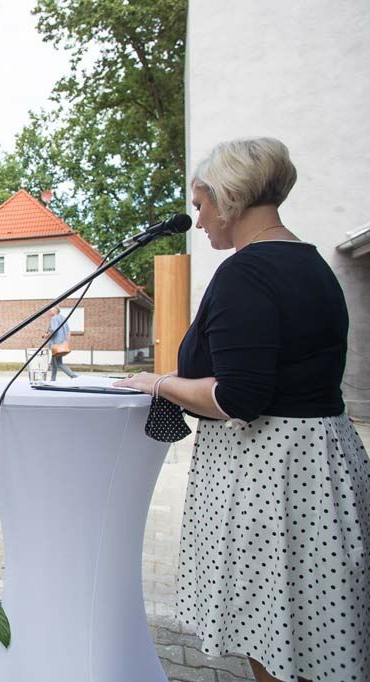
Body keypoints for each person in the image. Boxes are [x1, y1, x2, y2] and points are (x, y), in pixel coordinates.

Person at [115, 137, 369, 682]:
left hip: (269, 473)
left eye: (202, 203)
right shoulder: (313, 264)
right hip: (319, 462)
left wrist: (158, 382)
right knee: (311, 632)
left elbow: (237, 397)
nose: (199, 218)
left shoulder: (247, 272)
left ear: (230, 197)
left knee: (272, 633)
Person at [45, 308, 77, 380]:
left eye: (50, 310)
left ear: (55, 311)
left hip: (56, 344)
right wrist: (67, 342)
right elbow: (68, 332)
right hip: (62, 343)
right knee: (53, 363)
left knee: (59, 363)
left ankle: (74, 376)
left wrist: (46, 335)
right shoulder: (64, 318)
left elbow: (54, 330)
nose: (49, 312)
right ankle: (52, 380)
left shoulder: (54, 318)